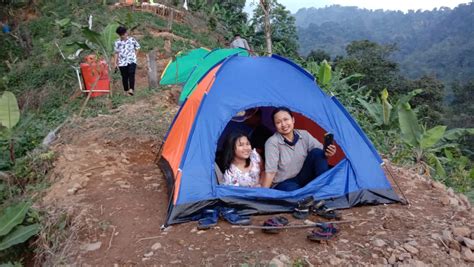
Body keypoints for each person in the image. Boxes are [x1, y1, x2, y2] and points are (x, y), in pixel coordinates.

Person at [262, 107, 337, 191]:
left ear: (293, 120)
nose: (283, 124)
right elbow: (270, 172)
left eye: (286, 119)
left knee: (318, 152)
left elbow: (320, 156)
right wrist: (263, 194)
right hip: (284, 183)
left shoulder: (304, 135)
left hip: (303, 176)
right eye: (278, 122)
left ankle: (325, 189)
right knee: (295, 192)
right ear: (275, 126)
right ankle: (308, 196)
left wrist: (327, 154)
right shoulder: (272, 142)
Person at [113, 26, 140, 96]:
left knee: (131, 74)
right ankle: (126, 90)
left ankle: (131, 89)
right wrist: (115, 63)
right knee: (124, 77)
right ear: (120, 35)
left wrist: (135, 56)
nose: (124, 35)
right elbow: (116, 53)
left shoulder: (132, 40)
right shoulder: (117, 42)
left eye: (125, 34)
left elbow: (137, 47)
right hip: (122, 62)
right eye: (122, 35)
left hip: (132, 60)